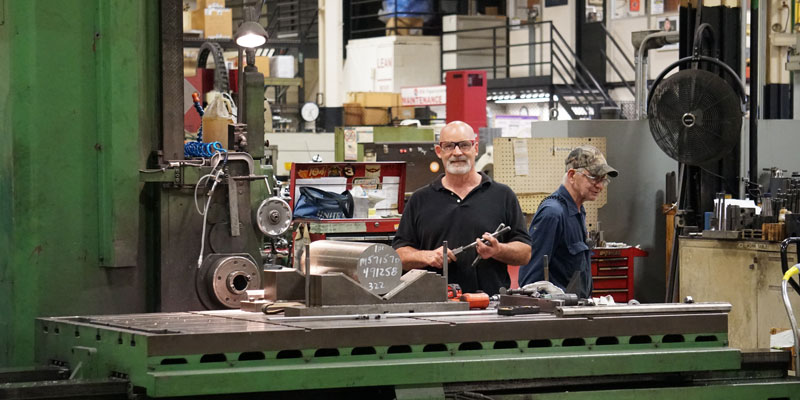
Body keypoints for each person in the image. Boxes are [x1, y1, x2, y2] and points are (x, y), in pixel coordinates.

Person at [392, 121, 532, 295]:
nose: (457, 152)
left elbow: (525, 253)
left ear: (475, 148)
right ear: (439, 151)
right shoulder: (419, 199)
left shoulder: (502, 195)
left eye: (464, 145)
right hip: (434, 302)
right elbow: (399, 254)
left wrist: (498, 250)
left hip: (489, 303)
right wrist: (427, 256)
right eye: (449, 146)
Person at [518, 145, 618, 298]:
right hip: (558, 311)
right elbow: (529, 282)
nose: (600, 186)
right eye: (594, 178)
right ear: (572, 175)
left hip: (575, 308)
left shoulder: (578, 211)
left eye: (603, 180)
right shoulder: (553, 213)